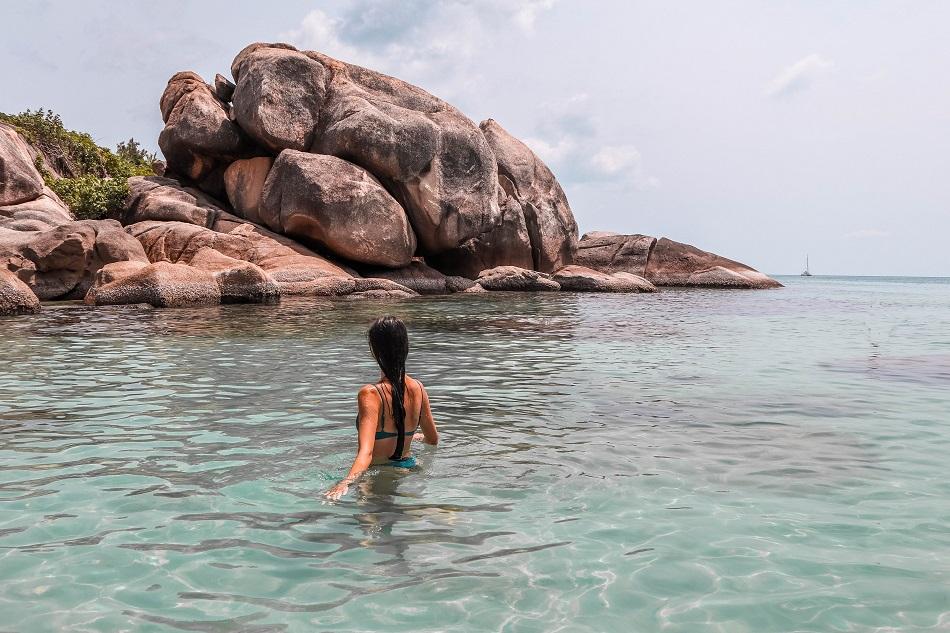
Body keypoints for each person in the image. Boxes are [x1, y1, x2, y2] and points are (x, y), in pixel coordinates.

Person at [324, 315, 438, 500]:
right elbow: (432, 440)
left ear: (374, 350)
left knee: (368, 523)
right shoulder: (418, 388)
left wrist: (344, 483)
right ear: (405, 347)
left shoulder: (370, 394)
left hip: (376, 477)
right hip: (408, 469)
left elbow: (366, 453)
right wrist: (411, 436)